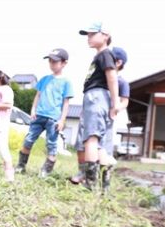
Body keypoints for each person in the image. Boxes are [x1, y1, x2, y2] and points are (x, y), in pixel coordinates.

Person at [71, 47, 129, 192]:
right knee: (85, 144)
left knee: (98, 145)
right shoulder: (102, 79)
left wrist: (115, 107)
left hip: (104, 114)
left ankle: (97, 183)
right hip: (93, 111)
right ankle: (86, 175)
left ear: (118, 62)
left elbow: (124, 101)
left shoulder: (120, 82)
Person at [15, 49, 73, 177]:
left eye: (55, 61)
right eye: (50, 61)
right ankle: (21, 165)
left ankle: (46, 170)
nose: (52, 64)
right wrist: (33, 109)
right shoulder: (44, 79)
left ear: (64, 63)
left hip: (53, 119)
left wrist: (62, 120)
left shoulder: (66, 82)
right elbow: (38, 95)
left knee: (51, 144)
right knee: (28, 140)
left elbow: (66, 103)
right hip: (39, 116)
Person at [78, 22, 119, 190]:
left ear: (105, 35)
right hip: (96, 97)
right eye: (87, 35)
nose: (89, 38)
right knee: (97, 142)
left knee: (91, 139)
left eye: (92, 34)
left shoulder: (105, 55)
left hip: (97, 96)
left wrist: (115, 103)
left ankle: (90, 183)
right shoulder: (100, 56)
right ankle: (104, 183)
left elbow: (112, 77)